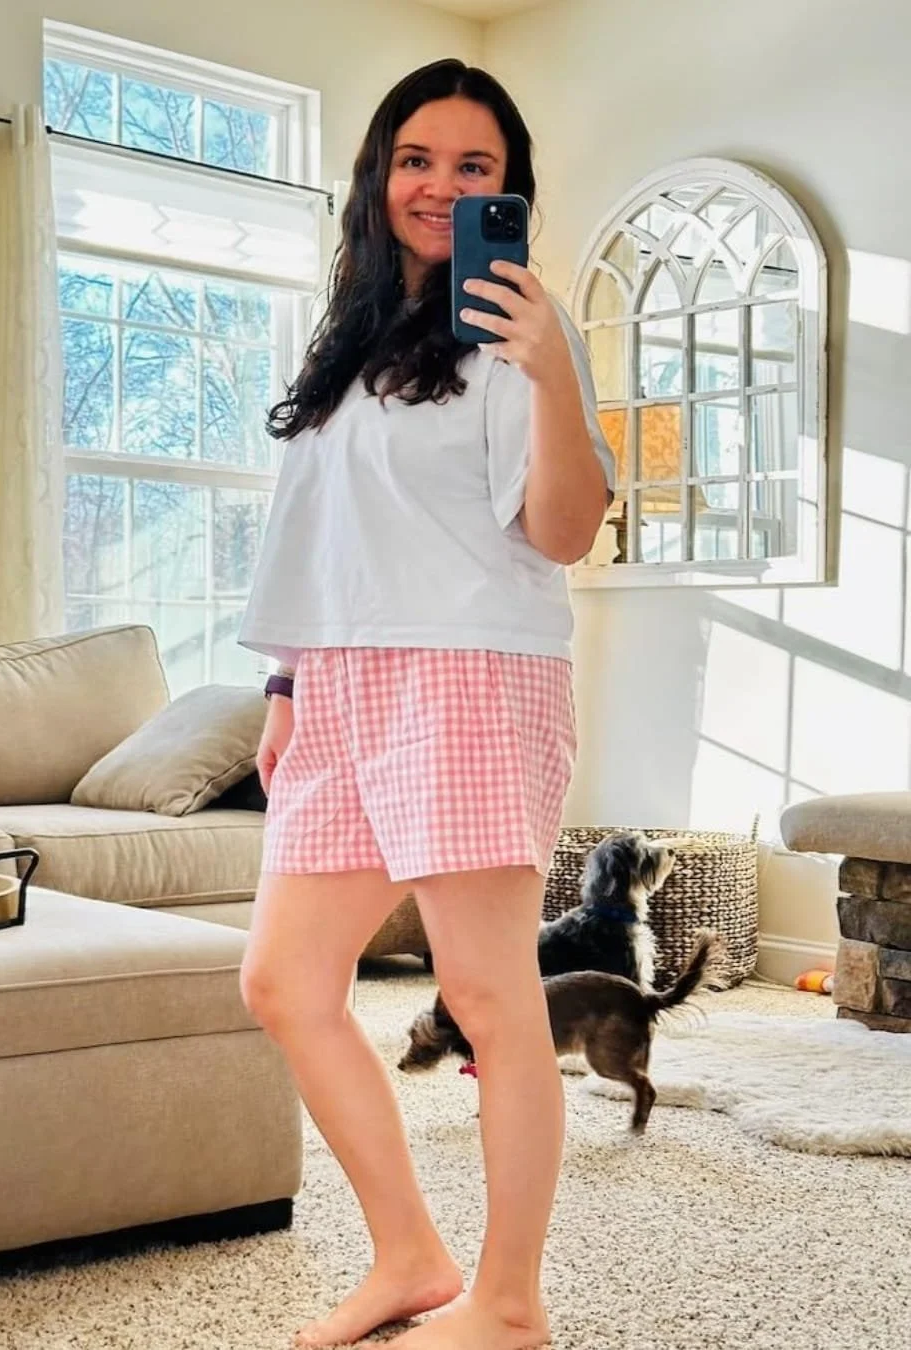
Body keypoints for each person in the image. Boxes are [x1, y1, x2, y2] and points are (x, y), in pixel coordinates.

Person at [236, 58, 614, 1350]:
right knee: (286, 981)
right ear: (377, 174)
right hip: (340, 677)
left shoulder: (518, 334)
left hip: (468, 668)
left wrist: (555, 369)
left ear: (510, 190)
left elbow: (564, 531)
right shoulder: (344, 336)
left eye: (475, 168)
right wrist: (288, 679)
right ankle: (409, 1253)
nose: (441, 188)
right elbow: (326, 532)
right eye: (417, 159)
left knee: (491, 994)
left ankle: (508, 1302)